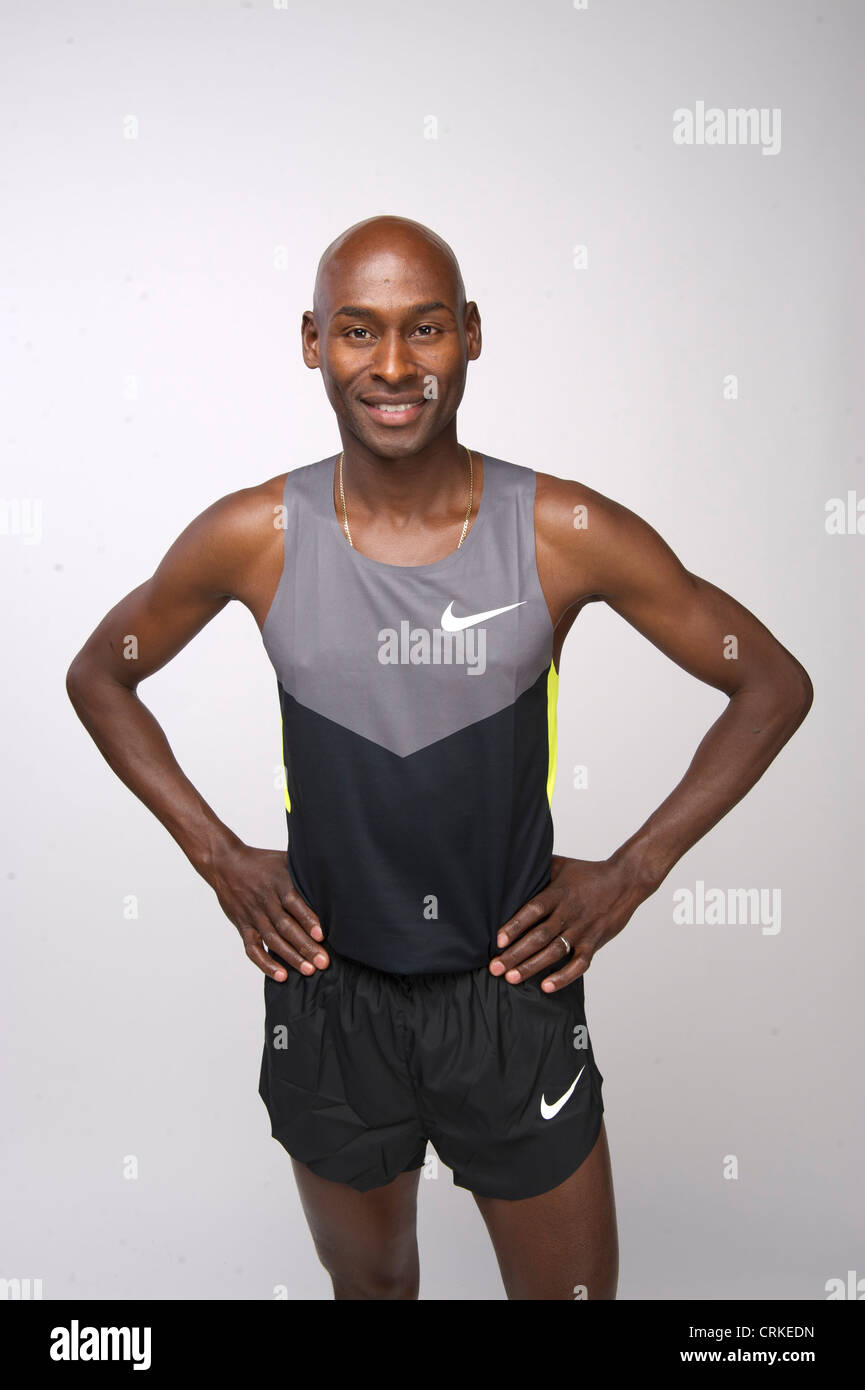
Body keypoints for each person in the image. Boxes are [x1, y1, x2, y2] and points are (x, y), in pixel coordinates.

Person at [66, 214, 813, 1301]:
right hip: (330, 995)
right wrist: (218, 855)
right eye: (359, 332)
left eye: (423, 329)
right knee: (373, 1292)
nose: (394, 365)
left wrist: (633, 872)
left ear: (468, 333)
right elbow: (101, 673)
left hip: (509, 995)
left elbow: (770, 682)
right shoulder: (253, 536)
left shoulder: (560, 530)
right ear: (312, 342)